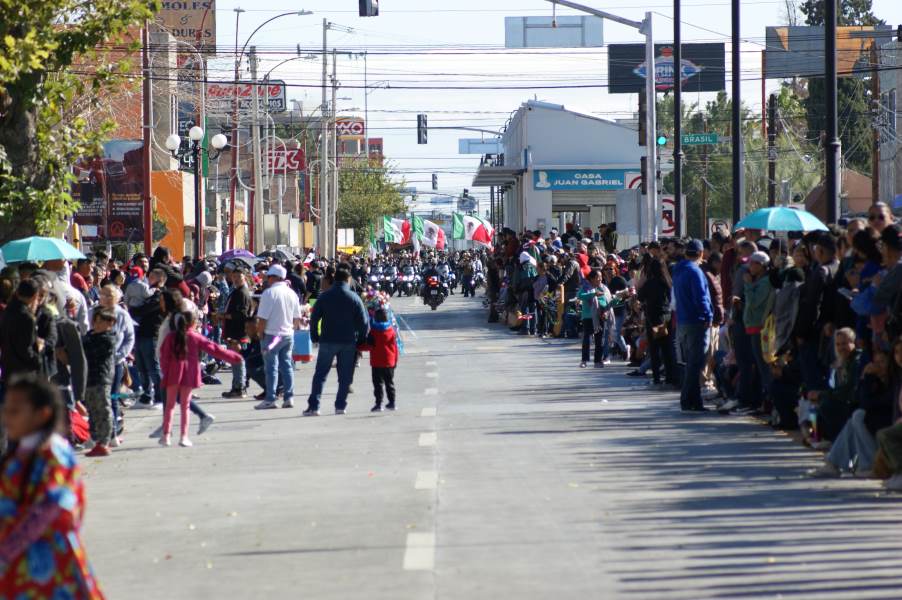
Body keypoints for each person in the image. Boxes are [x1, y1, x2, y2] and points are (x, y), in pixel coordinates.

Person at [0, 374, 106, 598]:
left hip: (50, 561)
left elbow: (48, 507)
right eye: (6, 409)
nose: (6, 417)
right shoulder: (20, 454)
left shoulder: (54, 454)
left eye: (15, 411)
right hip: (19, 563)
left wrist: (6, 551)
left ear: (42, 414)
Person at [159, 311, 241, 447]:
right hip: (189, 374)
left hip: (172, 373)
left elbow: (163, 356)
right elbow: (214, 349)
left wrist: (165, 371)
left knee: (170, 406)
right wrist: (232, 357)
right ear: (192, 323)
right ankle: (183, 437)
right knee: (185, 405)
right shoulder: (195, 336)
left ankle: (166, 435)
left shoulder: (170, 337)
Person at [304, 267, 369, 416]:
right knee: (345, 376)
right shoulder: (354, 297)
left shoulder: (324, 296)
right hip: (348, 341)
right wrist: (361, 340)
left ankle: (314, 406)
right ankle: (340, 405)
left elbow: (314, 319)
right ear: (348, 280)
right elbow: (364, 323)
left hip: (327, 340)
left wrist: (315, 337)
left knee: (320, 374)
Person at [673, 239, 714, 412]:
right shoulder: (695, 272)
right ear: (700, 253)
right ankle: (687, 399)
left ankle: (694, 401)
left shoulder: (678, 270)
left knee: (691, 362)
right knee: (696, 363)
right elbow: (701, 297)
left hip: (683, 319)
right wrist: (708, 314)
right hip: (696, 320)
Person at [255, 265, 303, 410]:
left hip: (272, 335)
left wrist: (260, 333)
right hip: (287, 334)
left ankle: (270, 398)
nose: (267, 279)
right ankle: (289, 397)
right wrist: (291, 330)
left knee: (271, 368)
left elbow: (262, 318)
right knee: (287, 366)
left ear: (274, 277)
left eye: (269, 276)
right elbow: (297, 318)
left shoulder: (269, 293)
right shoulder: (292, 293)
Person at [81, 309, 118, 457]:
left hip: (101, 378)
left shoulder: (108, 339)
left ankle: (104, 441)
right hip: (89, 378)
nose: (96, 324)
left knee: (103, 408)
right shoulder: (90, 337)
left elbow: (90, 351)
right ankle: (96, 440)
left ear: (110, 323)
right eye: (95, 320)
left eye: (101, 321)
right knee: (92, 409)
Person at [220, 268, 254, 399]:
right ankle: (237, 386)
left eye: (239, 277)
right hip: (234, 331)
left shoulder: (242, 293)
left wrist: (225, 316)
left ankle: (239, 388)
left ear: (244, 278)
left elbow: (242, 314)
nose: (235, 279)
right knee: (235, 361)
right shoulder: (237, 291)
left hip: (238, 332)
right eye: (234, 277)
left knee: (237, 361)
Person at [358, 308, 399, 412]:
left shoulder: (373, 331)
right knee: (389, 383)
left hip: (376, 362)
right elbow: (395, 348)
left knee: (378, 384)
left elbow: (368, 346)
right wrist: (395, 361)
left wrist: (358, 347)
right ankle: (392, 403)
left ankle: (379, 404)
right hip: (389, 362)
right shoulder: (391, 330)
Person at [578, 269, 610, 369]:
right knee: (586, 339)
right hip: (588, 316)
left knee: (599, 340)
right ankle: (584, 360)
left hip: (599, 316)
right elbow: (579, 296)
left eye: (601, 277)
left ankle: (598, 361)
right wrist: (593, 294)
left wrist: (605, 310)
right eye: (597, 277)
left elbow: (606, 301)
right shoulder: (586, 287)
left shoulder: (603, 288)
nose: (600, 279)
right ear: (591, 279)